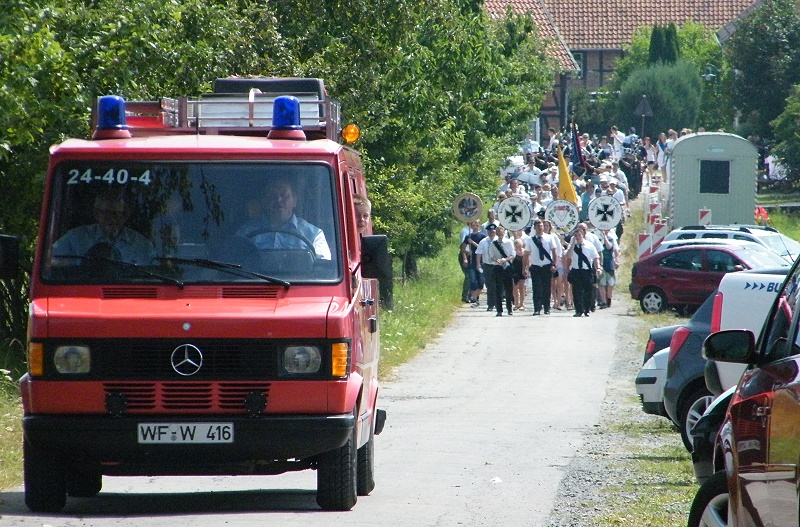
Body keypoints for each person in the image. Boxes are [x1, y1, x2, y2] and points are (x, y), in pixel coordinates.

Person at [52, 191, 155, 265]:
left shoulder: (142, 245)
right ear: (96, 214)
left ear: (126, 215)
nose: (111, 219)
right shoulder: (75, 237)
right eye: (105, 213)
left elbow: (156, 272)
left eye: (116, 214)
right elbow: (49, 260)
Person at [237, 179, 331, 260]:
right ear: (264, 201)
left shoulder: (313, 234)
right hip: (253, 281)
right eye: (272, 196)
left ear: (294, 201)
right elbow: (233, 264)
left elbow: (323, 268)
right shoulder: (245, 232)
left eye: (284, 195)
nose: (278, 200)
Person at [523, 218, 557, 316]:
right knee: (536, 288)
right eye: (538, 226)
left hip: (547, 266)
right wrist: (525, 268)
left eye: (541, 226)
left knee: (547, 288)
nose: (540, 228)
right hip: (535, 266)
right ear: (534, 228)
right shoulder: (530, 240)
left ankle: (547, 308)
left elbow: (554, 252)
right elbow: (526, 254)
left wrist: (554, 264)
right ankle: (537, 308)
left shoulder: (549, 238)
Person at [564, 228, 600, 317]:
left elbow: (595, 257)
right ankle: (578, 310)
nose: (578, 237)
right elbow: (568, 255)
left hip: (587, 271)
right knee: (576, 291)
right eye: (575, 236)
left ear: (582, 235)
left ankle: (587, 309)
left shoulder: (589, 245)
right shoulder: (572, 246)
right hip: (576, 271)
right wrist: (572, 243)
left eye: (579, 235)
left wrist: (598, 267)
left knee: (588, 291)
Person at [597, 230, 620, 308]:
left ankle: (608, 298)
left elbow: (609, 247)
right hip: (601, 264)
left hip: (609, 264)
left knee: (610, 284)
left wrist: (605, 237)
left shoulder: (611, 239)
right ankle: (603, 302)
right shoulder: (597, 239)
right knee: (601, 284)